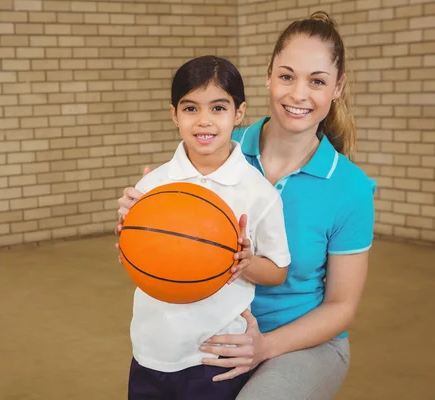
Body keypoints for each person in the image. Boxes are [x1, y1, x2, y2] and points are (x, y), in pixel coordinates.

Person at [116, 11, 376, 400]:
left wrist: (264, 348)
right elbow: (167, 223)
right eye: (287, 76)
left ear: (337, 87)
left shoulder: (350, 188)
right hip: (210, 334)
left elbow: (342, 307)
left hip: (298, 341)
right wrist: (139, 218)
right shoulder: (216, 144)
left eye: (317, 81)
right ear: (269, 76)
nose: (298, 94)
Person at [122, 55, 291, 400]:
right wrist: (129, 237)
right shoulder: (153, 186)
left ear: (238, 113)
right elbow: (136, 262)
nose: (204, 121)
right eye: (190, 109)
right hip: (151, 348)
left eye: (217, 108)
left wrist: (247, 262)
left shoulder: (258, 192)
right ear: (174, 114)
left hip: (216, 354)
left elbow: (278, 271)